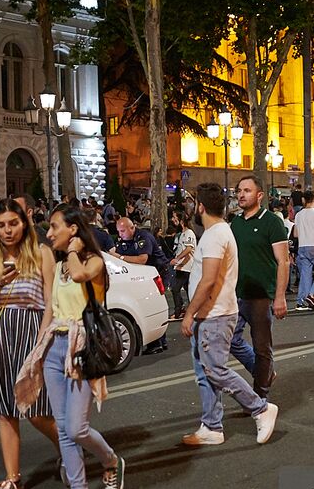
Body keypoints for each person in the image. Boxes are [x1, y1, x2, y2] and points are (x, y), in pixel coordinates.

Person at [0, 200, 62, 489]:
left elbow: (51, 299)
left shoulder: (41, 252)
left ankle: (67, 450)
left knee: (36, 410)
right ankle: (12, 480)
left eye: (13, 223)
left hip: (32, 328)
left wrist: (42, 338)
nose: (8, 230)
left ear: (24, 222)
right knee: (6, 410)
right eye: (1, 225)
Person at [41, 203, 126, 489]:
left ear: (73, 230)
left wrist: (75, 250)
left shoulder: (92, 261)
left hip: (82, 347)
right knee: (63, 427)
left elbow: (79, 276)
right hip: (55, 348)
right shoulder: (61, 265)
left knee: (76, 427)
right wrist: (39, 349)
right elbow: (51, 310)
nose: (49, 234)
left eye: (54, 227)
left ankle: (111, 461)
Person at [181, 183, 281, 445]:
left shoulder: (215, 235)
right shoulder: (220, 230)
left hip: (214, 314)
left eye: (194, 204)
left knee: (215, 370)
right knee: (205, 372)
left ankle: (260, 408)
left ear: (201, 207)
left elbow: (209, 280)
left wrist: (190, 313)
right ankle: (212, 426)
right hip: (211, 313)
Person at [229, 175, 290, 400]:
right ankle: (262, 373)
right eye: (239, 191)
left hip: (262, 295)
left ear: (259, 195)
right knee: (230, 339)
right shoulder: (235, 223)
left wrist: (280, 297)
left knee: (262, 347)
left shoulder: (271, 222)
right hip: (237, 294)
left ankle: (259, 397)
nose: (241, 195)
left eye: (247, 190)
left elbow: (283, 261)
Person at [111, 214, 172, 352]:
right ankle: (160, 341)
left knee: (153, 303)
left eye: (122, 231)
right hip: (145, 275)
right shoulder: (124, 240)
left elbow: (142, 259)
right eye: (119, 231)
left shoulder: (143, 237)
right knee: (149, 304)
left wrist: (119, 257)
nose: (120, 235)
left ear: (132, 228)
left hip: (159, 270)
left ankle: (157, 343)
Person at [292, 191, 314, 310]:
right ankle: (312, 294)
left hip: (302, 246)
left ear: (303, 200)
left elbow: (295, 234)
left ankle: (302, 300)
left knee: (305, 274)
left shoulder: (298, 215)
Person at [167, 211, 197, 317]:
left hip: (186, 267)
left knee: (175, 289)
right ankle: (190, 310)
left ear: (181, 221)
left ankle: (178, 311)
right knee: (188, 290)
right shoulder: (182, 234)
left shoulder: (189, 233)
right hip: (181, 267)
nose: (172, 219)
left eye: (175, 217)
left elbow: (189, 249)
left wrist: (178, 259)